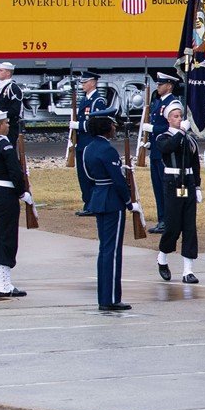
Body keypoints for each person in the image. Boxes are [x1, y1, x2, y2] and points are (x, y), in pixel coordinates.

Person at [82, 106, 137, 312]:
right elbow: (118, 181)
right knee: (112, 251)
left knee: (105, 250)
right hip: (112, 200)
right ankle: (111, 298)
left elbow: (87, 176)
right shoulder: (107, 149)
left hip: (98, 196)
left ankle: (105, 296)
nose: (115, 128)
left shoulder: (88, 148)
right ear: (106, 127)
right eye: (113, 124)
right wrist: (129, 201)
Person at [154, 100, 201, 284]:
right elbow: (168, 148)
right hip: (172, 183)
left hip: (187, 182)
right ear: (168, 119)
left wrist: (197, 186)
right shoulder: (163, 137)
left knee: (189, 227)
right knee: (173, 225)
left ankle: (187, 270)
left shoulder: (189, 140)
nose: (179, 119)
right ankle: (162, 257)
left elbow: (195, 164)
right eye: (175, 116)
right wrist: (181, 132)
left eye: (181, 116)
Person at [0, 106, 31, 298]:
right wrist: (23, 193)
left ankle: (4, 283)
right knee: (6, 239)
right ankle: (4, 286)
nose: (8, 125)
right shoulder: (4, 144)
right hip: (4, 195)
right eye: (5, 122)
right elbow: (15, 172)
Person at [145, 72, 180, 234]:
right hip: (156, 150)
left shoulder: (172, 104)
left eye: (161, 84)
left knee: (165, 188)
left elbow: (172, 128)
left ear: (169, 86)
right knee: (158, 187)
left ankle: (167, 220)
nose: (157, 87)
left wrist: (152, 129)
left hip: (164, 152)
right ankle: (162, 219)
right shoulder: (159, 103)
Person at [72, 71, 107, 217]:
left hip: (90, 143)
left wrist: (78, 126)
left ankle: (93, 205)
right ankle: (87, 203)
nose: (83, 85)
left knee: (90, 175)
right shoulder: (85, 100)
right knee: (82, 176)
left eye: (85, 82)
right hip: (82, 143)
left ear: (93, 82)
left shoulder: (97, 101)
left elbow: (96, 123)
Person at [0, 62, 24, 144]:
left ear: (8, 73)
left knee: (9, 147)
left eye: (1, 70)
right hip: (0, 124)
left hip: (10, 125)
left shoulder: (13, 88)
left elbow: (15, 110)